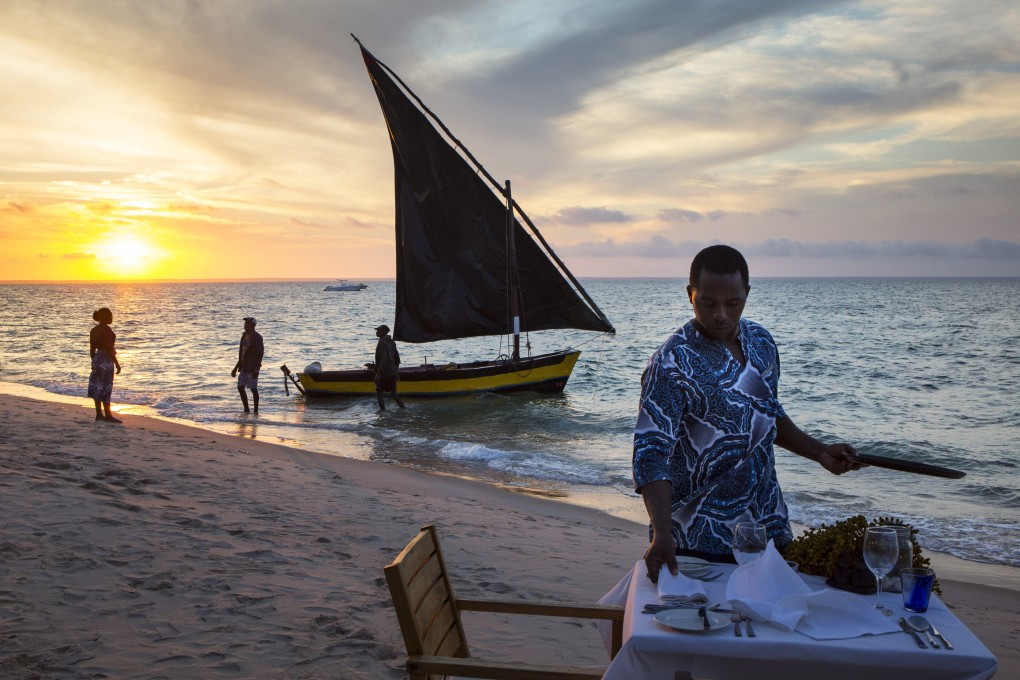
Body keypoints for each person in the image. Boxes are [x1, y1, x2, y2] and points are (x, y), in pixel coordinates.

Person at [633, 244, 862, 582]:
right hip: (697, 539)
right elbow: (652, 455)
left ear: (747, 294)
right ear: (689, 294)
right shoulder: (670, 363)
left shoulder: (762, 343)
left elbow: (768, 415)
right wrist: (662, 533)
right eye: (707, 302)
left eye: (733, 303)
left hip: (768, 528)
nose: (720, 314)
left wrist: (819, 452)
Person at [88, 307, 122, 423]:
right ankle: (108, 415)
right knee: (107, 387)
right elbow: (109, 348)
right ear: (105, 317)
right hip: (106, 360)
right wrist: (117, 364)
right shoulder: (107, 330)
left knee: (98, 386)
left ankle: (99, 414)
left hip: (97, 359)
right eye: (109, 316)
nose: (111, 318)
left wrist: (93, 361)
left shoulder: (94, 330)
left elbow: (92, 349)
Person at [231, 316, 264, 414]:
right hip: (243, 367)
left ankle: (256, 411)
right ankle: (246, 409)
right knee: (240, 387)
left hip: (252, 367)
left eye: (247, 324)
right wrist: (235, 368)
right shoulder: (244, 336)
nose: (245, 325)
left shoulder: (257, 337)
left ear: (253, 325)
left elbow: (260, 354)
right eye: (245, 324)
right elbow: (242, 354)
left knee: (253, 389)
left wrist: (257, 369)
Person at [374, 324, 405, 410]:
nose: (376, 332)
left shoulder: (381, 343)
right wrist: (396, 371)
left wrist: (378, 374)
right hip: (393, 371)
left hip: (384, 372)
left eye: (378, 330)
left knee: (379, 393)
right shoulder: (392, 342)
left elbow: (383, 360)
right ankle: (403, 409)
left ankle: (382, 414)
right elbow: (397, 358)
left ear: (383, 332)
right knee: (394, 393)